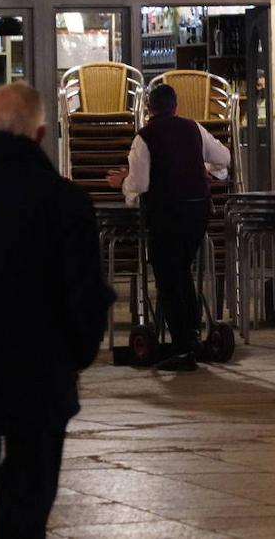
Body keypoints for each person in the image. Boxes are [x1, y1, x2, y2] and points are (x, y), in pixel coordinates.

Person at [0, 82, 115, 538]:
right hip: (39, 377)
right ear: (39, 136)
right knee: (27, 496)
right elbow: (85, 298)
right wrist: (72, 358)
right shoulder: (65, 201)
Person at [107, 83, 230, 371]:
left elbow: (141, 184)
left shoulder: (144, 137)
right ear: (176, 106)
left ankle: (183, 347)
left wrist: (122, 183)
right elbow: (223, 158)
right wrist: (206, 170)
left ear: (148, 109)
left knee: (168, 279)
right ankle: (193, 338)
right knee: (183, 273)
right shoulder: (193, 128)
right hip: (198, 212)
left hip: (166, 214)